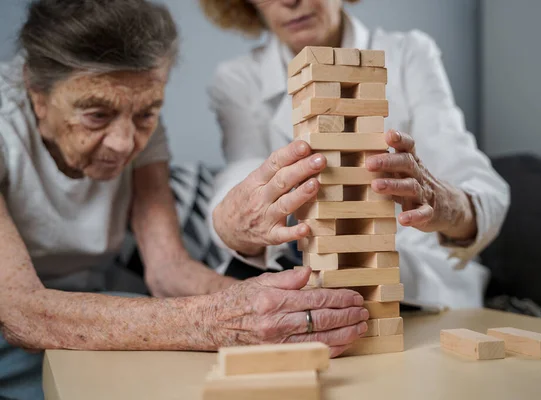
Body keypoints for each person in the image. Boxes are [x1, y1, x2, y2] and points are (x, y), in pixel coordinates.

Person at [0, 1, 368, 399]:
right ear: (37, 94)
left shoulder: (133, 110)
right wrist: (213, 319)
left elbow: (168, 269)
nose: (125, 144)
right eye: (96, 116)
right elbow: (21, 313)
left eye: (146, 115)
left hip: (85, 299)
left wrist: (276, 308)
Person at [201, 0, 510, 308]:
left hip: (423, 284)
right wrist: (231, 222)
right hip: (311, 280)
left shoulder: (408, 54)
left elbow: (482, 190)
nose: (289, 1)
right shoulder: (238, 79)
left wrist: (447, 205)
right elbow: (241, 173)